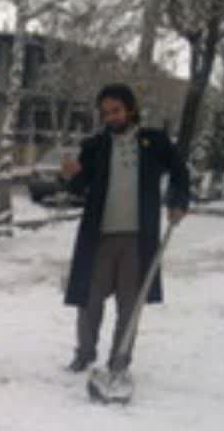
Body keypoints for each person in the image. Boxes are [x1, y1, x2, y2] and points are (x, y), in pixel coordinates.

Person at [60, 83, 190, 377]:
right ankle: (84, 353)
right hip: (100, 236)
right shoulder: (95, 146)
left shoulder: (154, 142)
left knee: (129, 304)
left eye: (115, 111)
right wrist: (71, 176)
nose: (110, 118)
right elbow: (80, 188)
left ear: (130, 109)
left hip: (137, 238)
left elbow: (180, 172)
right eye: (105, 113)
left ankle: (119, 359)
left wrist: (177, 201)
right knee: (89, 299)